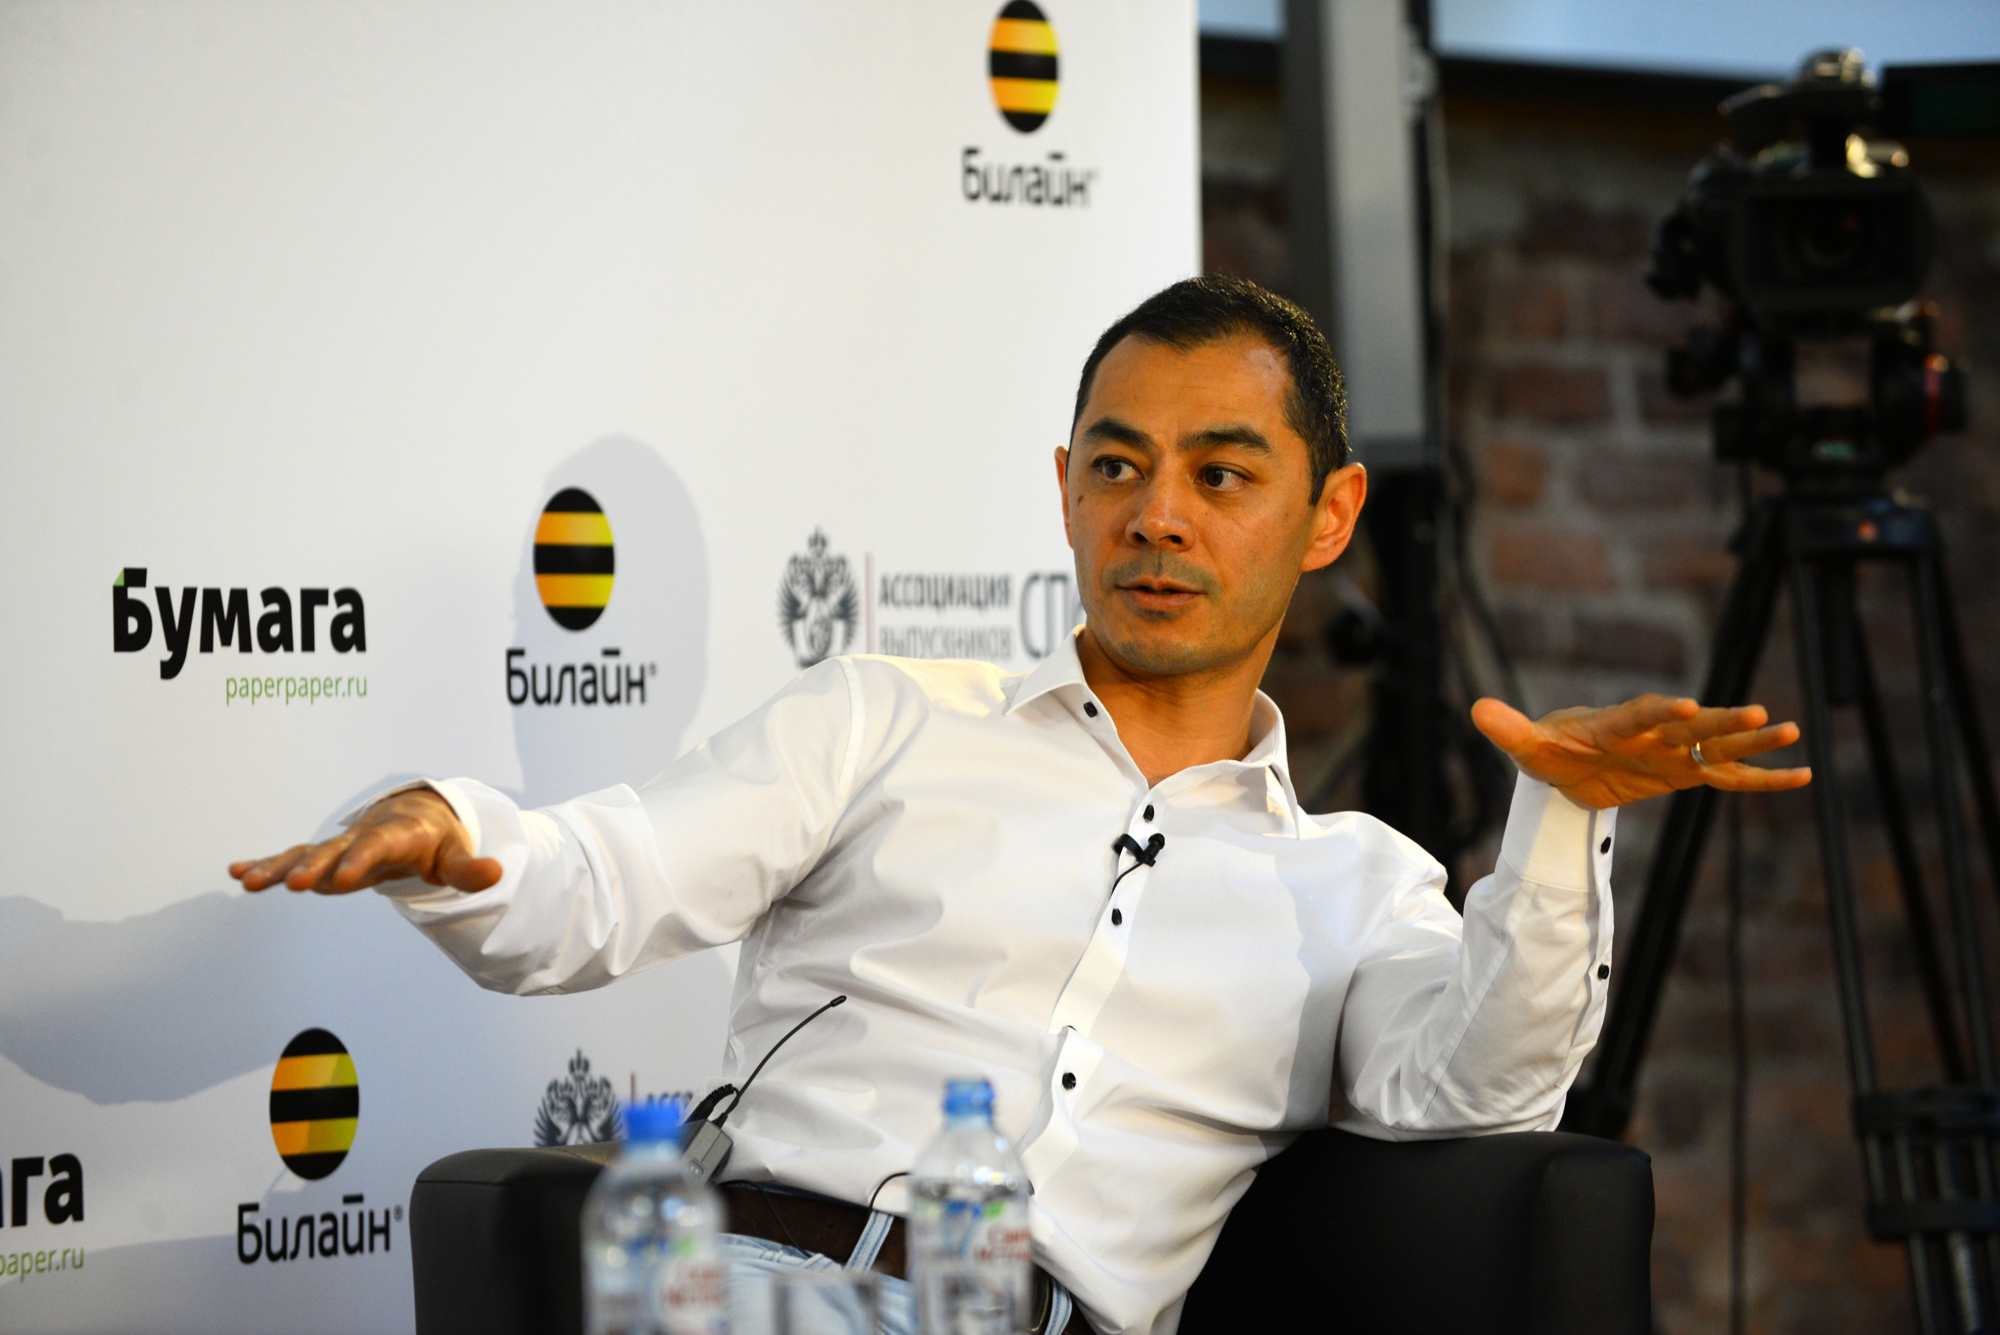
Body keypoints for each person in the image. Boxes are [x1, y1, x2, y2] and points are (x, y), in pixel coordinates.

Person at [231, 276, 1808, 1335]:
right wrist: (457, 832)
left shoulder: (1356, 886)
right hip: (750, 1288)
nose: (1157, 517)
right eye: (1118, 468)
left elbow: (1483, 1097)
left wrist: (1558, 816)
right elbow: (603, 876)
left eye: (1221, 474)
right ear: (1065, 489)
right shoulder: (887, 717)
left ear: (1328, 514)